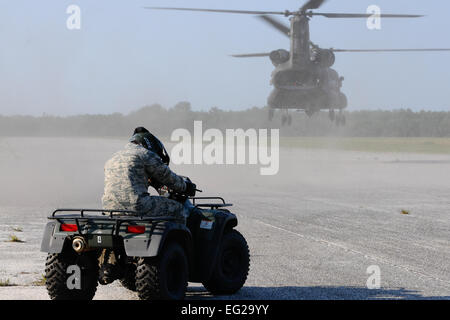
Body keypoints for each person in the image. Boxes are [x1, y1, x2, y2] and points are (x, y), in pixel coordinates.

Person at [101, 127, 197, 223]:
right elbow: (168, 178)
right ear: (150, 144)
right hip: (136, 205)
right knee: (178, 209)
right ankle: (182, 237)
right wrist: (186, 186)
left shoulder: (113, 157)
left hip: (109, 207)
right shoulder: (145, 154)